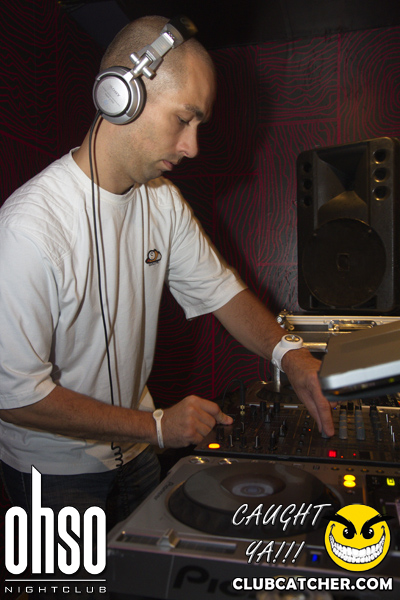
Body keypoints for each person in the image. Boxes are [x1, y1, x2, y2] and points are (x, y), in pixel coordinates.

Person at [0, 15, 335, 532]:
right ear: (120, 96)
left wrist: (288, 354)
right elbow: (15, 397)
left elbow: (221, 291)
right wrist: (155, 426)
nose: (192, 146)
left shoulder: (163, 201)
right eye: (184, 119)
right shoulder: (29, 229)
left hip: (137, 450)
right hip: (56, 472)